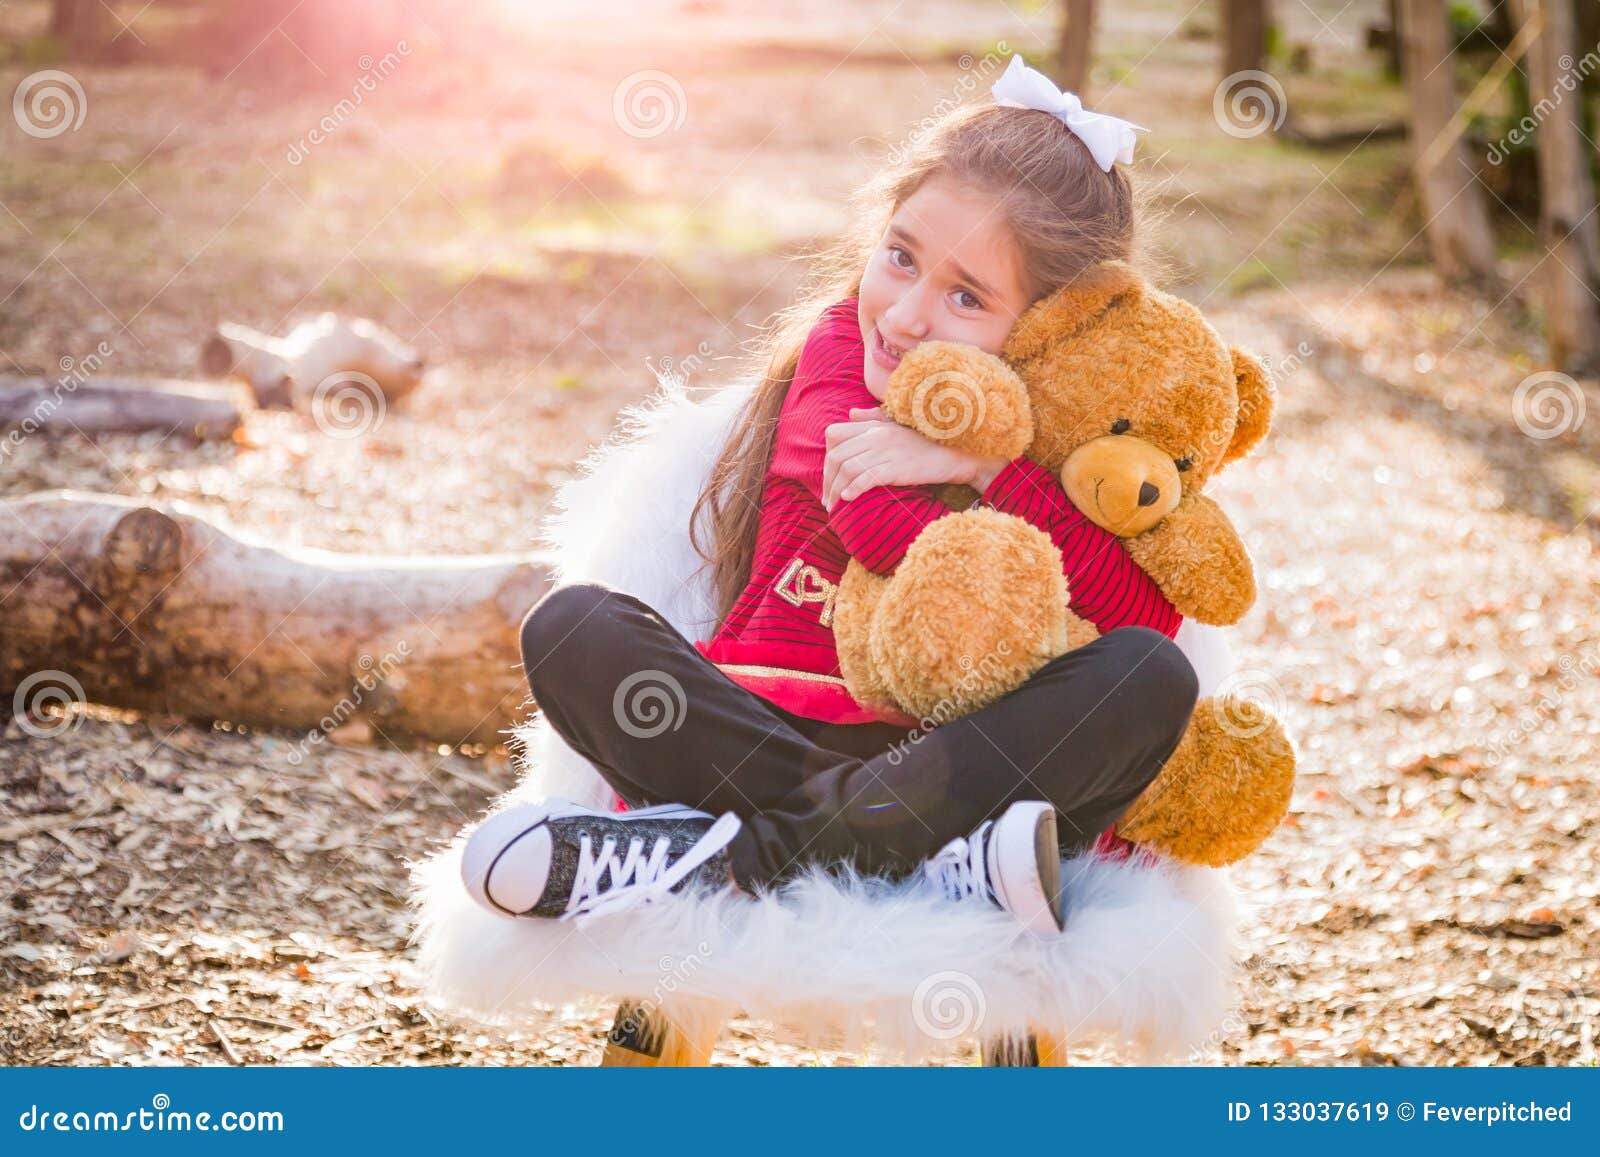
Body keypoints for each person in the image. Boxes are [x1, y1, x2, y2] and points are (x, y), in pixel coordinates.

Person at [461, 56, 1199, 937]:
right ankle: (916, 861)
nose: (905, 314)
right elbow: (874, 517)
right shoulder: (842, 350)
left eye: (966, 295)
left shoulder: (1073, 437)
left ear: (1050, 328)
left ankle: (718, 859)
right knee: (573, 627)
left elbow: (1144, 625)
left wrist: (984, 470)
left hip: (967, 762)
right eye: (901, 257)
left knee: (1152, 679)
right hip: (762, 729)